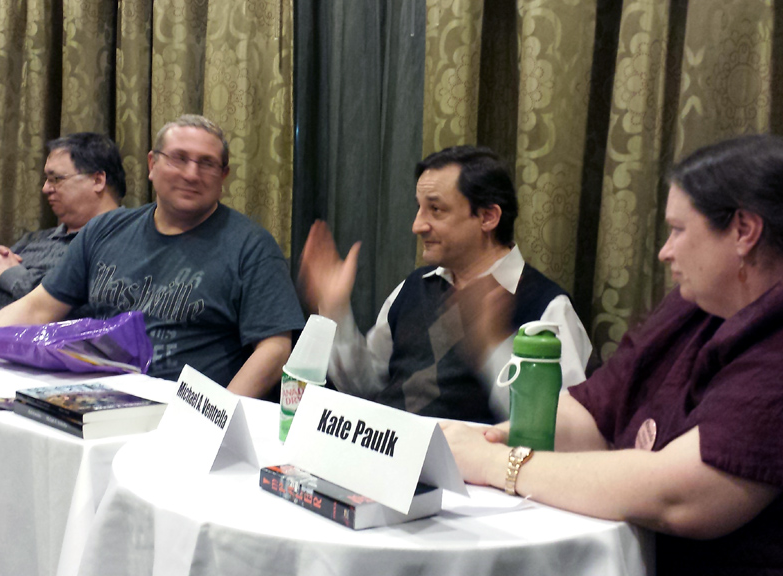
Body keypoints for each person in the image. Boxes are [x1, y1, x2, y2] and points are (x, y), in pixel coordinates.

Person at [442, 134, 783, 574]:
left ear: (744, 231)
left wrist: (494, 463)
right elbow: (594, 413)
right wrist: (504, 437)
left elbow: (678, 496)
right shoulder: (693, 306)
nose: (665, 251)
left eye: (679, 230)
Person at [0, 115, 304, 397]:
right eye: (178, 158)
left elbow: (274, 349)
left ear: (224, 176)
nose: (191, 173)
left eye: (207, 163)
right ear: (152, 165)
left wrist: (215, 418)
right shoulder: (105, 229)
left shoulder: (251, 246)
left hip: (178, 410)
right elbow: (39, 308)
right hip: (88, 395)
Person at [298, 146, 591, 422]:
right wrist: (336, 310)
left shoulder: (549, 308)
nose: (417, 226)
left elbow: (562, 430)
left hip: (470, 459)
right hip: (386, 451)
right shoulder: (413, 287)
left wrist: (491, 346)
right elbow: (365, 386)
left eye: (436, 210)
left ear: (488, 217)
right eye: (419, 208)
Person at [0, 133, 125, 326]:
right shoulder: (35, 239)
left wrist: (12, 276)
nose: (45, 188)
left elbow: (88, 314)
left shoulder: (122, 241)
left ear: (98, 180)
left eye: (56, 179)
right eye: (47, 179)